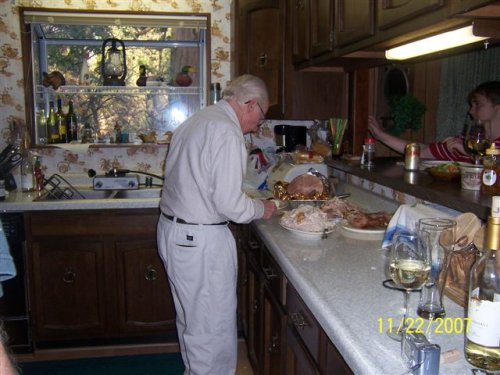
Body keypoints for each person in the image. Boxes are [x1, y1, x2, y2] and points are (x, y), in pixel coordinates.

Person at [157, 74, 276, 375]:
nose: (258, 125)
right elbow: (230, 205)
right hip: (200, 240)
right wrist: (264, 208)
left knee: (193, 324)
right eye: (261, 116)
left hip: (176, 232)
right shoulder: (226, 131)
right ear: (250, 104)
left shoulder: (199, 120)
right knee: (212, 330)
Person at [368, 81, 500, 162]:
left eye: (478, 105)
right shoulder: (467, 142)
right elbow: (423, 150)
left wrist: (468, 153)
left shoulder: (468, 147)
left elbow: (494, 168)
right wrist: (381, 135)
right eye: (471, 105)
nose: (471, 111)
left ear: (497, 108)